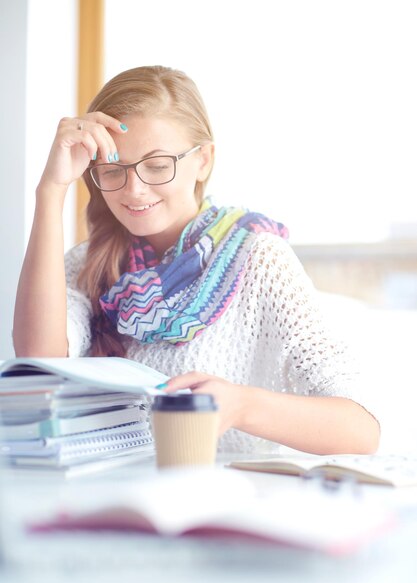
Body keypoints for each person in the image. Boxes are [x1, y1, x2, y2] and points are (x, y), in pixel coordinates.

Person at [13, 65, 380, 455]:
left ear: (202, 160)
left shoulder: (257, 258)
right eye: (114, 169)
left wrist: (242, 405)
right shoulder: (86, 264)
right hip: (109, 503)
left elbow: (359, 430)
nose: (134, 190)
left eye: (157, 166)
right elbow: (40, 360)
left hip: (226, 504)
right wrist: (51, 190)